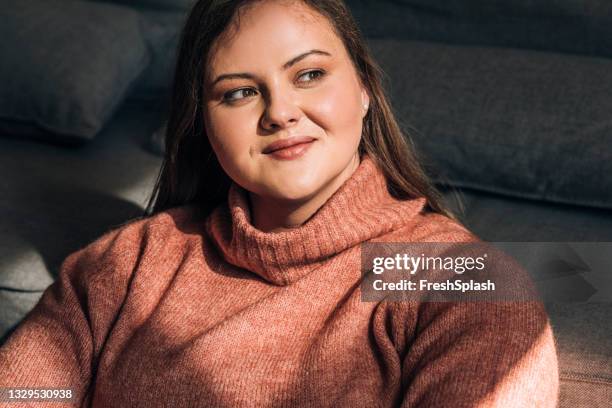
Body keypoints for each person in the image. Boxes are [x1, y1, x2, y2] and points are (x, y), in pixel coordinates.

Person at [0, 0, 559, 406]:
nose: (281, 112)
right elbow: (28, 389)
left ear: (366, 89)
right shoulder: (132, 259)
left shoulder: (460, 278)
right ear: (203, 124)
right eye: (239, 92)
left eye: (310, 74)